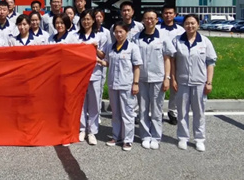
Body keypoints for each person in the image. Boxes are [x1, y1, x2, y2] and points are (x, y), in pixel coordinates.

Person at [171, 14, 217, 152]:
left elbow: (210, 63)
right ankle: (183, 137)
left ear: (198, 25)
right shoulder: (177, 41)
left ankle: (199, 139)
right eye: (187, 23)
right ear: (183, 25)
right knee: (182, 111)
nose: (190, 26)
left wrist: (209, 82)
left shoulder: (205, 42)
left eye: (193, 23)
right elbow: (172, 61)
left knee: (199, 112)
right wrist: (173, 79)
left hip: (199, 83)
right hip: (182, 82)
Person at [133, 10, 176, 150]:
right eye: (146, 18)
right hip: (142, 79)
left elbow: (167, 59)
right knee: (143, 109)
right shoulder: (136, 38)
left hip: (158, 78)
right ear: (143, 20)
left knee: (157, 110)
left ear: (157, 20)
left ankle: (156, 137)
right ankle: (145, 135)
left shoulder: (163, 37)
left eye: (152, 18)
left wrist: (167, 78)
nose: (149, 21)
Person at [106, 21, 142, 151]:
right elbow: (107, 62)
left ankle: (127, 140)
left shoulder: (133, 47)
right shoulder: (110, 47)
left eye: (121, 32)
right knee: (115, 113)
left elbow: (137, 67)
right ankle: (116, 136)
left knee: (127, 113)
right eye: (116, 32)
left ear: (127, 32)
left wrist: (135, 83)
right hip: (113, 84)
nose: (118, 34)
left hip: (126, 85)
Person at [75, 10, 109, 145]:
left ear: (94, 20)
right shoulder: (75, 36)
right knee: (81, 103)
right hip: (80, 74)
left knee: (94, 103)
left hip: (95, 73)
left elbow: (103, 56)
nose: (86, 22)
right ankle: (82, 129)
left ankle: (92, 131)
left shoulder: (101, 36)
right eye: (84, 19)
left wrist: (95, 48)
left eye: (89, 19)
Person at [159, 5, 185, 125]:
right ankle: (158, 111)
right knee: (160, 88)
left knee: (175, 87)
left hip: (176, 61)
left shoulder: (180, 30)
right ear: (162, 15)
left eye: (170, 13)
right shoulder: (157, 29)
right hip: (160, 61)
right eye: (165, 13)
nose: (168, 15)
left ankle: (172, 111)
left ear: (175, 15)